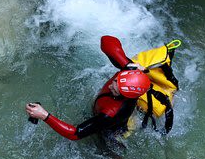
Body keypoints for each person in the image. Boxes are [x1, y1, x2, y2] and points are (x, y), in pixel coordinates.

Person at [25, 35, 180, 139]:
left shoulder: (111, 113)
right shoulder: (128, 72)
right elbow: (106, 40)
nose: (111, 84)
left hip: (112, 129)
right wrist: (127, 64)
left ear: (125, 95)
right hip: (106, 104)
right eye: (116, 80)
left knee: (109, 149)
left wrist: (44, 115)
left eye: (116, 86)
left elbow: (75, 134)